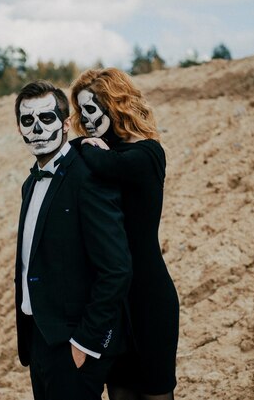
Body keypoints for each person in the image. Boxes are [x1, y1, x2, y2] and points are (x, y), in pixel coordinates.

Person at [13, 80, 133, 400]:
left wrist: (86, 343)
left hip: (74, 344)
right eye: (27, 121)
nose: (37, 128)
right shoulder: (29, 184)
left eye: (47, 118)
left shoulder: (87, 177)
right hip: (39, 336)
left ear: (67, 124)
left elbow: (116, 268)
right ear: (20, 129)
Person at [69, 68, 180, 400]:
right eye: (81, 111)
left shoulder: (147, 153)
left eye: (91, 109)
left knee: (156, 394)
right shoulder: (97, 150)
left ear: (114, 104)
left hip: (149, 298)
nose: (85, 119)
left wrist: (86, 148)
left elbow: (110, 167)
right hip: (112, 302)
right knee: (120, 394)